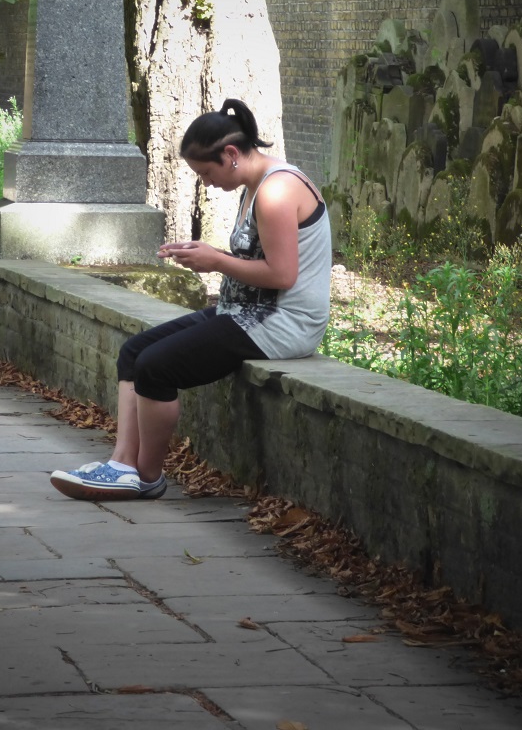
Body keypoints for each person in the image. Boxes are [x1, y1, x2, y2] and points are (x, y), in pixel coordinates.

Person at [50, 98, 332, 501]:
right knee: (134, 352)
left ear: (230, 154)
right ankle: (122, 464)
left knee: (156, 368)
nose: (205, 182)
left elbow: (282, 275)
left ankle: (146, 478)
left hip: (282, 324)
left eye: (206, 172)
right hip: (245, 313)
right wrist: (209, 253)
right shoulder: (257, 184)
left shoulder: (277, 191)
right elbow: (261, 260)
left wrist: (216, 260)